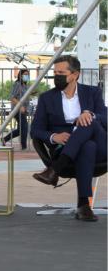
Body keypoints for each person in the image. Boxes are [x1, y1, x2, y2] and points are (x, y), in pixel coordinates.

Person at [31, 55, 107, 222]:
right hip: (66, 147)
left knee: (89, 120)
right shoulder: (47, 98)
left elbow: (105, 116)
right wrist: (53, 136)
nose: (56, 76)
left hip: (102, 149)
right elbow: (35, 130)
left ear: (75, 75)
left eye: (61, 72)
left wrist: (90, 114)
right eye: (55, 72)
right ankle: (83, 205)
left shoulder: (92, 92)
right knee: (87, 146)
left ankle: (54, 170)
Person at [2, 69, 31, 150]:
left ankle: (5, 139)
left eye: (27, 74)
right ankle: (24, 147)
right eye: (25, 74)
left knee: (20, 129)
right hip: (17, 110)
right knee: (24, 128)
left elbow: (22, 95)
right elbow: (12, 97)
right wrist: (20, 105)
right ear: (20, 75)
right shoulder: (17, 84)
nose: (26, 76)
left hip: (23, 110)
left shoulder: (25, 85)